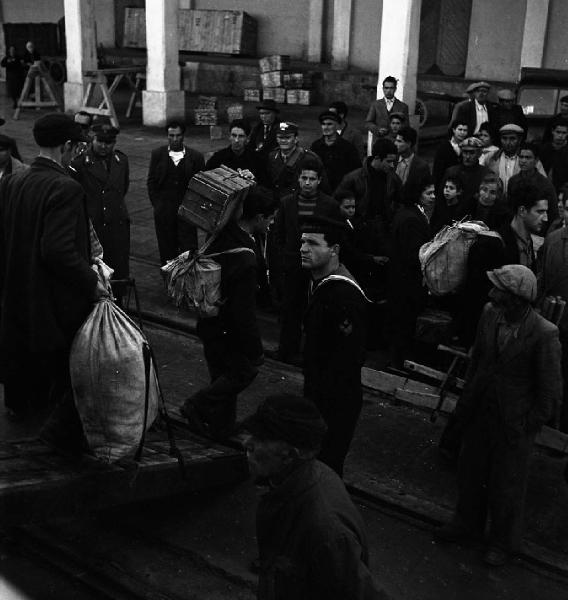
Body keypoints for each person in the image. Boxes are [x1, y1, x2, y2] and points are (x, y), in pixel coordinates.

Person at [436, 265, 561, 567]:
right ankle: (466, 524)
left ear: (516, 298)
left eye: (499, 289)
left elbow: (550, 391)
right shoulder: (490, 313)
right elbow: (478, 358)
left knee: (507, 484)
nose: (491, 293)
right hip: (481, 411)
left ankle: (502, 543)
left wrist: (528, 424)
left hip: (514, 422)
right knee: (471, 471)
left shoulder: (544, 334)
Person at [0, 113, 106, 440]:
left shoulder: (12, 181)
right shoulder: (65, 187)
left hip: (17, 298)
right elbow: (58, 251)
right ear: (67, 146)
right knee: (60, 381)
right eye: (76, 147)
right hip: (51, 304)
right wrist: (93, 281)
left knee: (26, 383)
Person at [243, 394, 392, 600]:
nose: (247, 443)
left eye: (260, 439)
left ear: (289, 455)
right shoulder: (298, 477)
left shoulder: (324, 530)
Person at [179, 193, 265, 440]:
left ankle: (220, 430)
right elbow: (245, 313)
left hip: (210, 324)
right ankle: (196, 405)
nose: (270, 224)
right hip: (230, 331)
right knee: (242, 373)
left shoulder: (222, 234)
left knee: (221, 377)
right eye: (270, 219)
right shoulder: (246, 258)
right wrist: (256, 350)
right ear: (259, 218)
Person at [300, 216, 368, 476]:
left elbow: (346, 358)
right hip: (320, 394)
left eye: (313, 243)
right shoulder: (321, 283)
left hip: (334, 399)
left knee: (325, 468)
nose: (304, 249)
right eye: (302, 242)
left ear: (334, 250)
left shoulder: (342, 295)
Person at [273, 158, 340, 364]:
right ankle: (287, 350)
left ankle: (314, 352)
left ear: (319, 180)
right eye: (304, 178)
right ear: (298, 179)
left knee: (316, 311)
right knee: (290, 308)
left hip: (318, 267)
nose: (308, 183)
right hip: (293, 264)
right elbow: (279, 235)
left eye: (312, 178)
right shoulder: (287, 203)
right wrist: (284, 258)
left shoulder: (329, 205)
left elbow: (335, 236)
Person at [69, 123, 130, 300]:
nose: (104, 146)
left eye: (109, 142)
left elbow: (122, 189)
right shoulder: (79, 164)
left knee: (119, 273)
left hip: (118, 227)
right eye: (100, 141)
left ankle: (119, 311)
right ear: (92, 140)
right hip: (94, 228)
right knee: (97, 275)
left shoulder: (121, 161)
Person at [147, 120, 205, 265]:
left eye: (177, 135)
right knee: (167, 251)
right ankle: (169, 281)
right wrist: (158, 205)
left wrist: (194, 208)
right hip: (164, 213)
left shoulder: (195, 157)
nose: (174, 139)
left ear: (183, 136)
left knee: (188, 251)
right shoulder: (158, 154)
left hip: (187, 214)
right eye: (171, 135)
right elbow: (151, 181)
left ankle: (189, 281)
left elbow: (201, 185)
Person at [387, 182, 431, 369]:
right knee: (404, 324)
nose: (433, 196)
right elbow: (413, 254)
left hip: (400, 279)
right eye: (428, 192)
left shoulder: (408, 213)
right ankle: (399, 364)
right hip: (407, 281)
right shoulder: (412, 218)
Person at [336, 137, 402, 232]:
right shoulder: (353, 178)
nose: (392, 165)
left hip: (385, 229)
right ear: (377, 158)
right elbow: (338, 202)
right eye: (388, 161)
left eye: (393, 161)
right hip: (360, 229)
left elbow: (400, 202)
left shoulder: (393, 178)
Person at [266, 121, 328, 201]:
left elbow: (323, 187)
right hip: (279, 202)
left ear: (296, 139)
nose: (283, 141)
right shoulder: (272, 156)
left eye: (287, 138)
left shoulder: (310, 158)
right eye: (280, 137)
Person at [499, 181, 548, 272]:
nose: (545, 218)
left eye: (545, 212)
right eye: (540, 212)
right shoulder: (497, 243)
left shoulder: (528, 241)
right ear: (522, 211)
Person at [507, 142, 558, 227]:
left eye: (528, 158)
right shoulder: (513, 181)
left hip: (538, 228)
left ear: (536, 160)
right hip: (516, 226)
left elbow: (553, 213)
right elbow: (510, 208)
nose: (523, 161)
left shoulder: (545, 185)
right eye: (521, 157)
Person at [486, 124, 546, 194]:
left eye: (512, 139)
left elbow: (543, 183)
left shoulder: (528, 157)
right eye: (504, 138)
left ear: (519, 140)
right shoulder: (491, 157)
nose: (508, 142)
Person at [310, 110, 361, 192]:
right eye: (323, 124)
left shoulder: (347, 148)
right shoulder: (316, 146)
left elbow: (355, 172)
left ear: (337, 126)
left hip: (341, 191)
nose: (326, 127)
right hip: (320, 191)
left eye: (329, 124)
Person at [365, 76, 409, 144]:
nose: (388, 90)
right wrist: (377, 129)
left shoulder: (403, 106)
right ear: (383, 89)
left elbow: (406, 126)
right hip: (379, 142)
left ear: (395, 89)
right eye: (386, 88)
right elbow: (368, 123)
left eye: (391, 88)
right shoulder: (375, 105)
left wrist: (397, 129)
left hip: (395, 144)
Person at [394, 126, 430, 194]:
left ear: (409, 144)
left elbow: (425, 191)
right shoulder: (391, 160)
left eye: (399, 141)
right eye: (396, 140)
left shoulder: (422, 167)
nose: (395, 144)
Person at [432, 120, 469, 188]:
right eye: (460, 129)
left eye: (465, 130)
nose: (462, 133)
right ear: (454, 130)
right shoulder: (443, 147)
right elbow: (437, 171)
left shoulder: (468, 147)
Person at [539, 119, 568, 193]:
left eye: (564, 133)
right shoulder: (544, 149)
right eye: (558, 132)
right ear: (552, 131)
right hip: (543, 187)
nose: (560, 135)